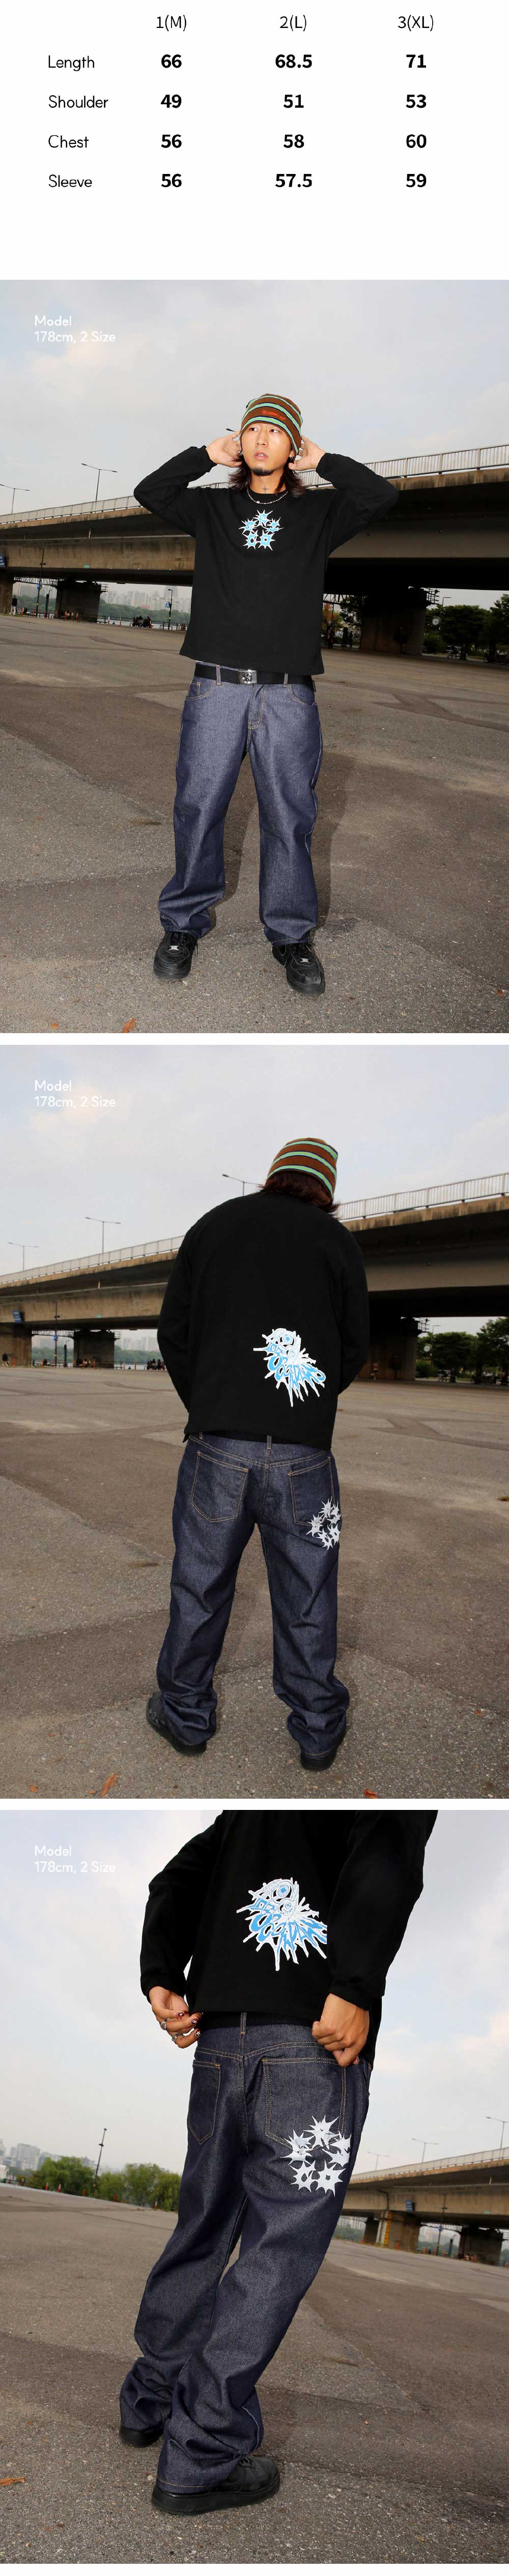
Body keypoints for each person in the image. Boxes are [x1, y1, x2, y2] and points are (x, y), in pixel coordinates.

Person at [119, 1805, 436, 2518]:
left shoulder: (242, 1815)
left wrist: (161, 1970)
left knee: (201, 2228)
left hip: (219, 2043)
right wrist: (354, 1983)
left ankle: (151, 2400)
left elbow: (174, 1880)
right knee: (277, 2252)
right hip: (311, 2042)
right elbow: (388, 1838)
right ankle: (202, 2452)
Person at [133, 396, 398, 997]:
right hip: (216, 687)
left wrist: (324, 462)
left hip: (288, 696)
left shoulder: (321, 513)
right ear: (239, 441)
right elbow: (152, 491)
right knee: (198, 808)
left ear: (292, 447)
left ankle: (290, 935)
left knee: (289, 816)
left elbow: (380, 496)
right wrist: (205, 454)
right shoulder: (211, 507)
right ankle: (182, 924)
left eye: (276, 432)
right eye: (252, 428)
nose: (260, 439)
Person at [146, 1134, 369, 1771]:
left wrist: (212, 1403)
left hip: (217, 1447)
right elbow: (353, 1344)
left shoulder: (214, 1226)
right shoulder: (337, 1242)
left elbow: (174, 1331)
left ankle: (186, 1715)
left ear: (275, 1174)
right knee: (308, 1593)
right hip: (305, 1457)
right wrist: (305, 1403)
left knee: (199, 1586)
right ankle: (317, 1728)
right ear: (326, 1187)